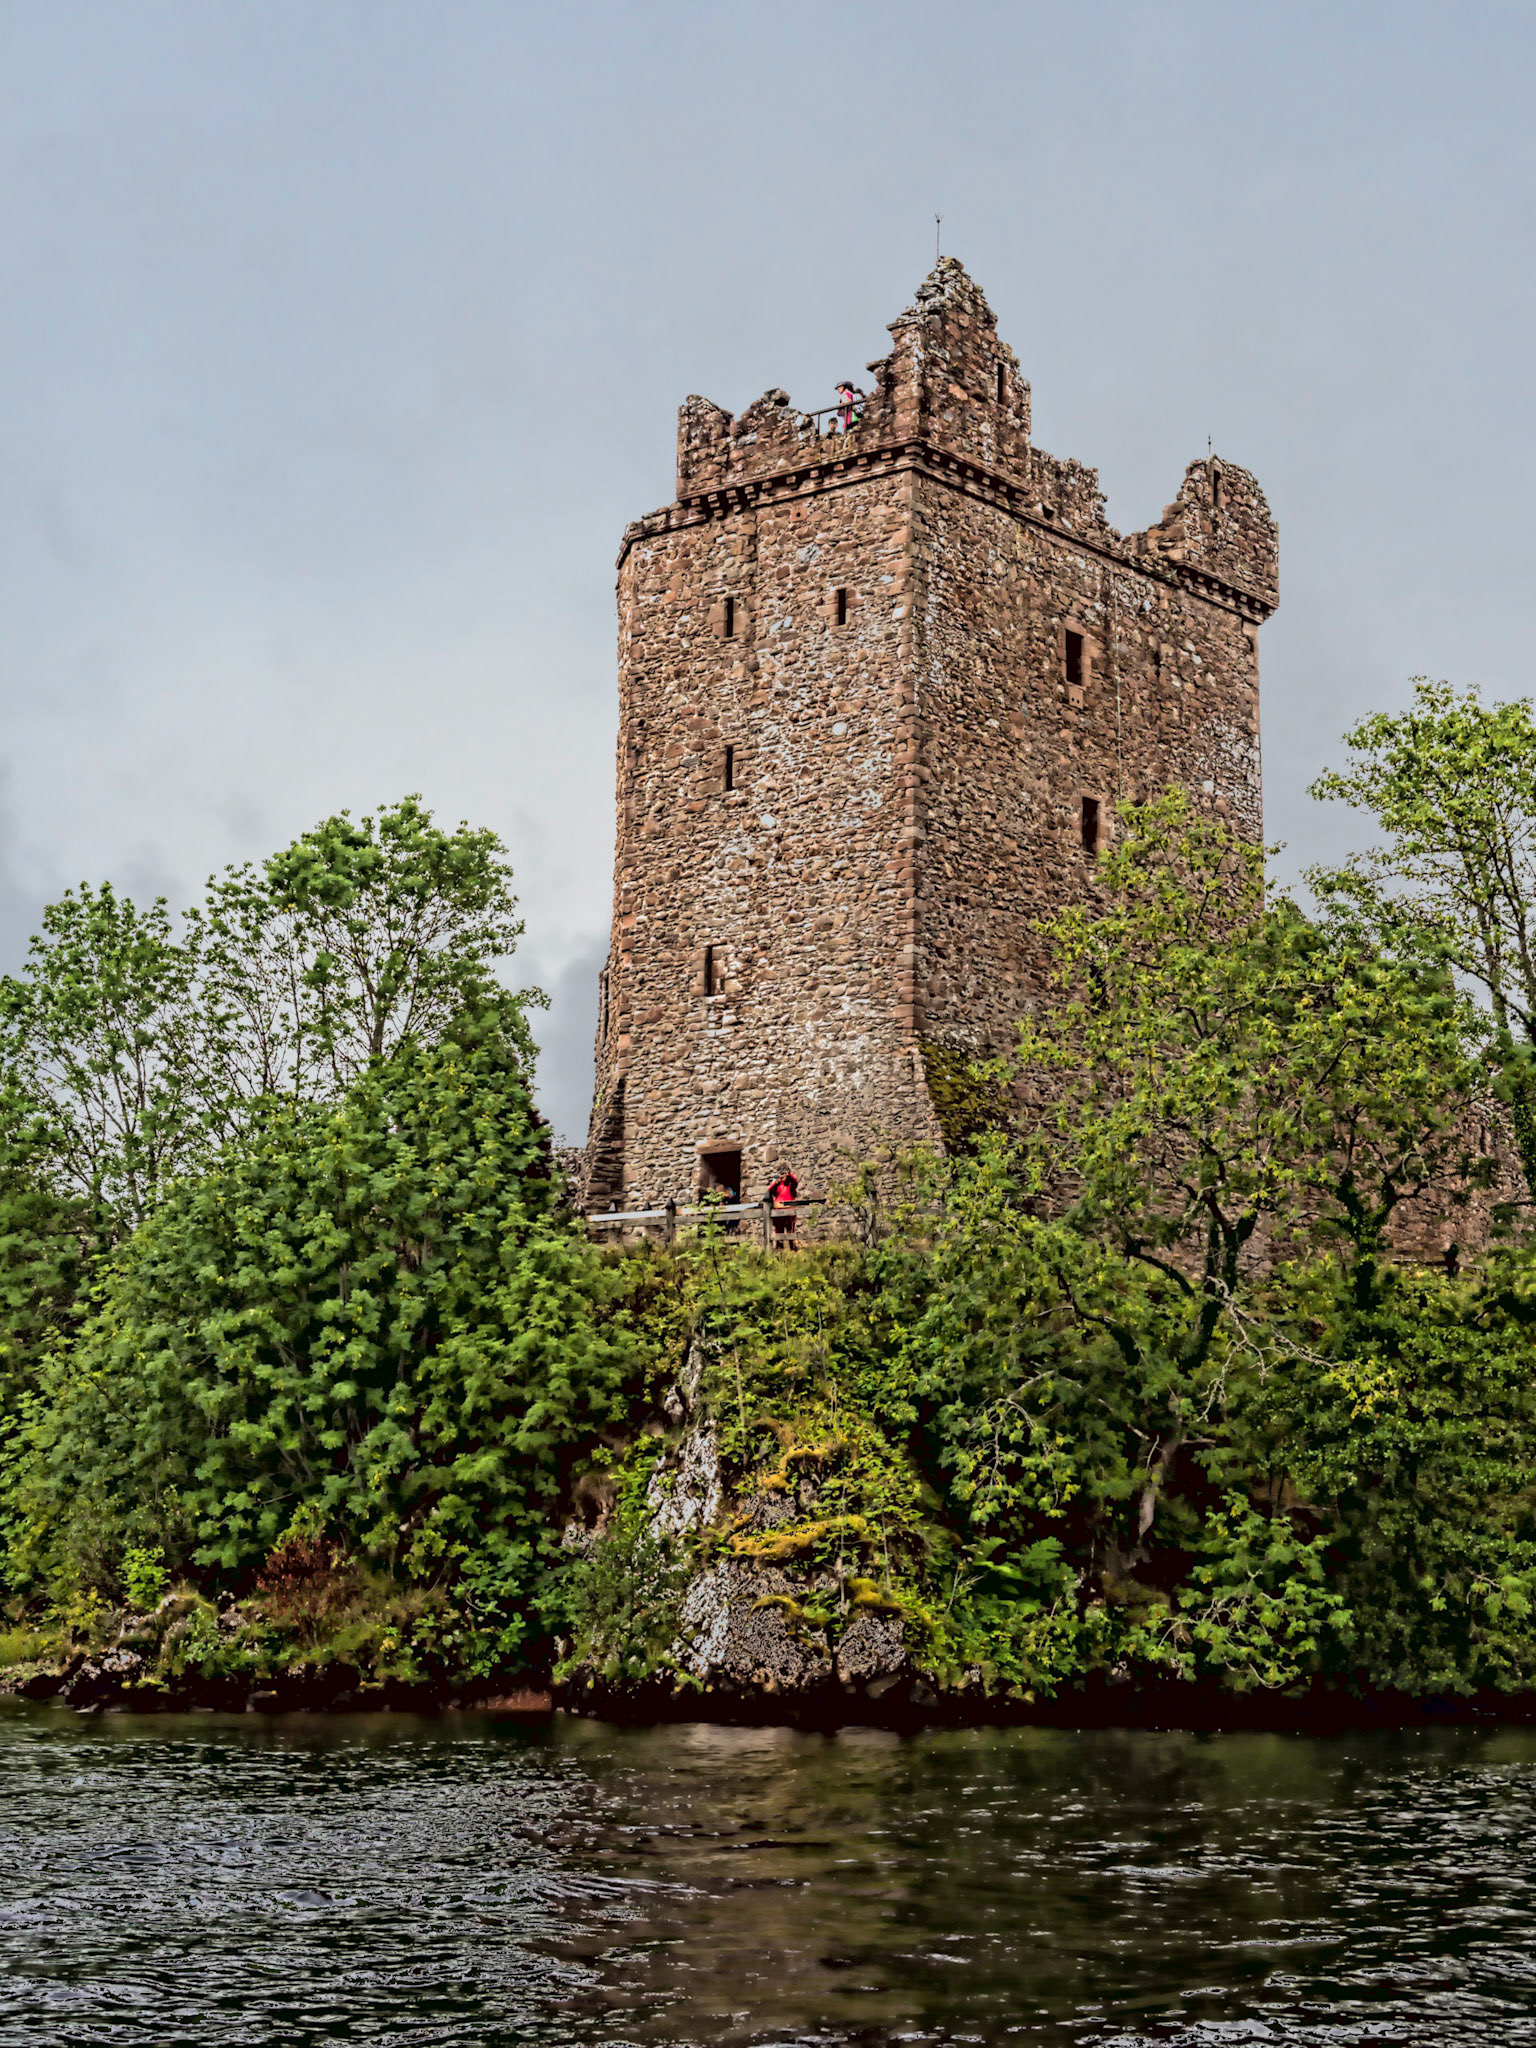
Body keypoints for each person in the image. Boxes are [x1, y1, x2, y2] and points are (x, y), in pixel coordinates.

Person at [767, 1166, 800, 1246]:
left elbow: (795, 1181)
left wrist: (788, 1175)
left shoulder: (790, 1185)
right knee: (779, 1233)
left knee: (791, 1232)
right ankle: (779, 1251)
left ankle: (792, 1249)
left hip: (789, 1212)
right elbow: (770, 1191)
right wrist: (776, 1182)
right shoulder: (777, 1186)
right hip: (778, 1212)